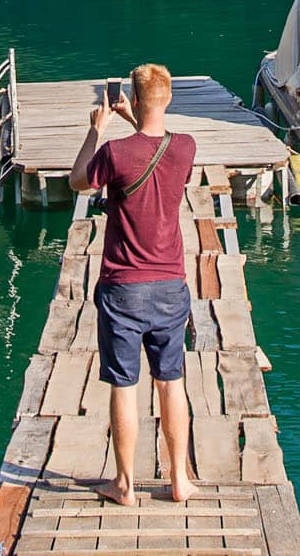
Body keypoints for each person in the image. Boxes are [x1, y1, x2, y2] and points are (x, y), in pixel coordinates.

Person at [68, 62, 199, 506]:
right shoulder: (185, 148)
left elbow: (77, 181)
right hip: (170, 286)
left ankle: (124, 485)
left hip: (123, 287)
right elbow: (156, 143)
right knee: (172, 381)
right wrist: (136, 118)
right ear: (169, 100)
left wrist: (97, 128)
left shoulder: (114, 154)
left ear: (136, 100)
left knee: (124, 384)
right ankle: (179, 479)